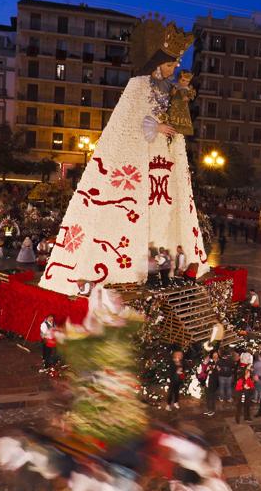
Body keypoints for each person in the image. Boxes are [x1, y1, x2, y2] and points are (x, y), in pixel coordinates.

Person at [37, 31, 207, 295]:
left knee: (165, 214)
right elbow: (129, 120)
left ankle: (169, 267)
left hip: (163, 162)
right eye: (171, 63)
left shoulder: (170, 89)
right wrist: (157, 126)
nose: (175, 68)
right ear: (158, 63)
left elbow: (177, 114)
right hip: (135, 164)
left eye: (176, 64)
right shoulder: (138, 85)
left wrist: (181, 99)